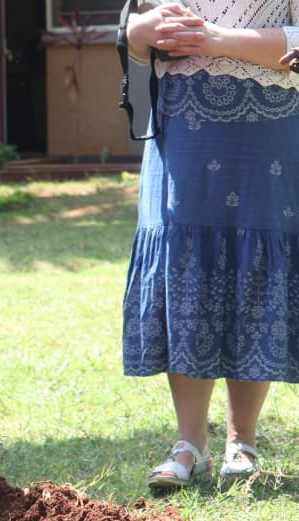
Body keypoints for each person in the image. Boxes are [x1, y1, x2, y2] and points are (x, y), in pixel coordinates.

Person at [123, 3, 299, 488]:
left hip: (272, 125)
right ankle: (189, 444)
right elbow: (134, 38)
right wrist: (141, 32)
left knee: (255, 270)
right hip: (180, 125)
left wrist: (215, 39)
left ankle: (243, 441)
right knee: (186, 268)